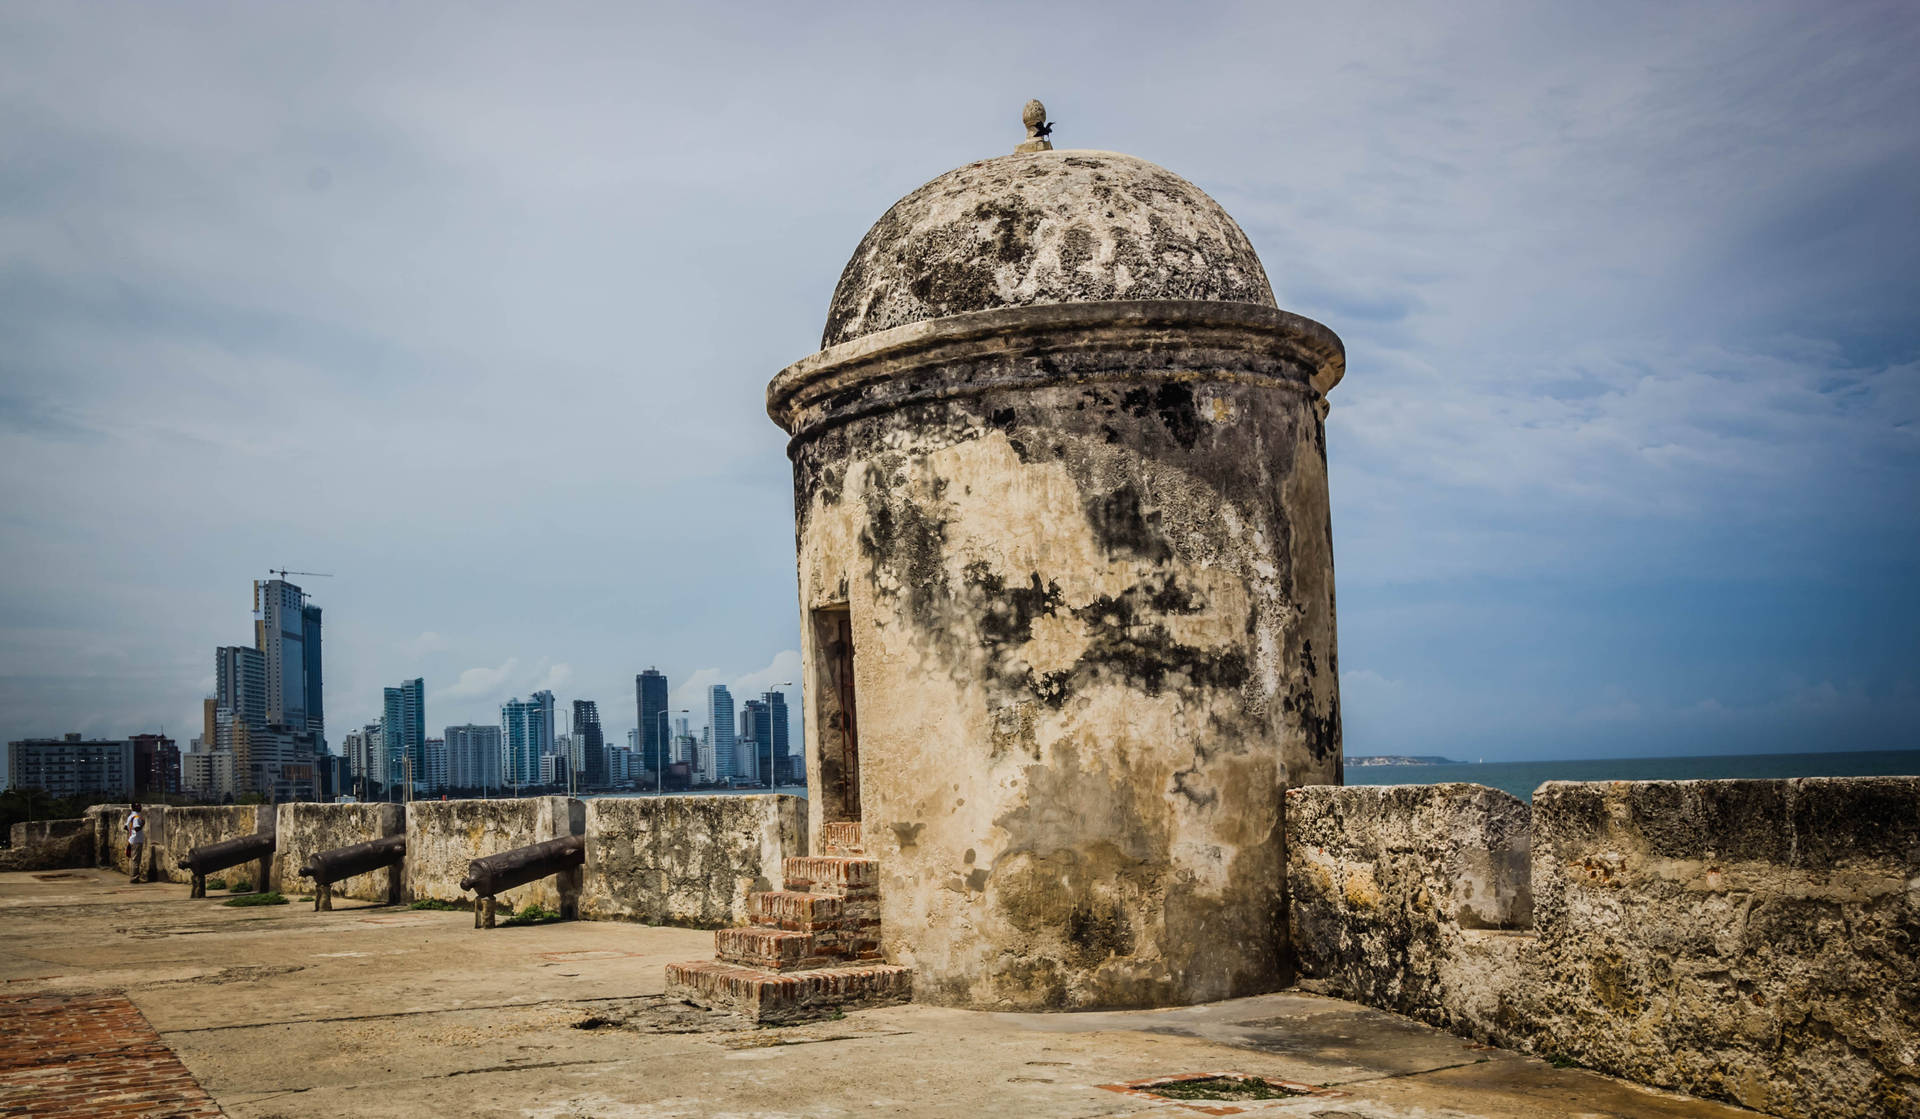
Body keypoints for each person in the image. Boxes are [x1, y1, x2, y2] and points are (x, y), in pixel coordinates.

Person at [126, 802, 146, 884]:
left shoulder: (130, 817)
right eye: (139, 806)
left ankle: (133, 876)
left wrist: (132, 833)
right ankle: (134, 878)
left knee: (133, 859)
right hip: (137, 840)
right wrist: (143, 824)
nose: (140, 807)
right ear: (134, 808)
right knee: (136, 860)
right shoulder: (137, 817)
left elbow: (125, 827)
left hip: (131, 839)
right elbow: (137, 828)